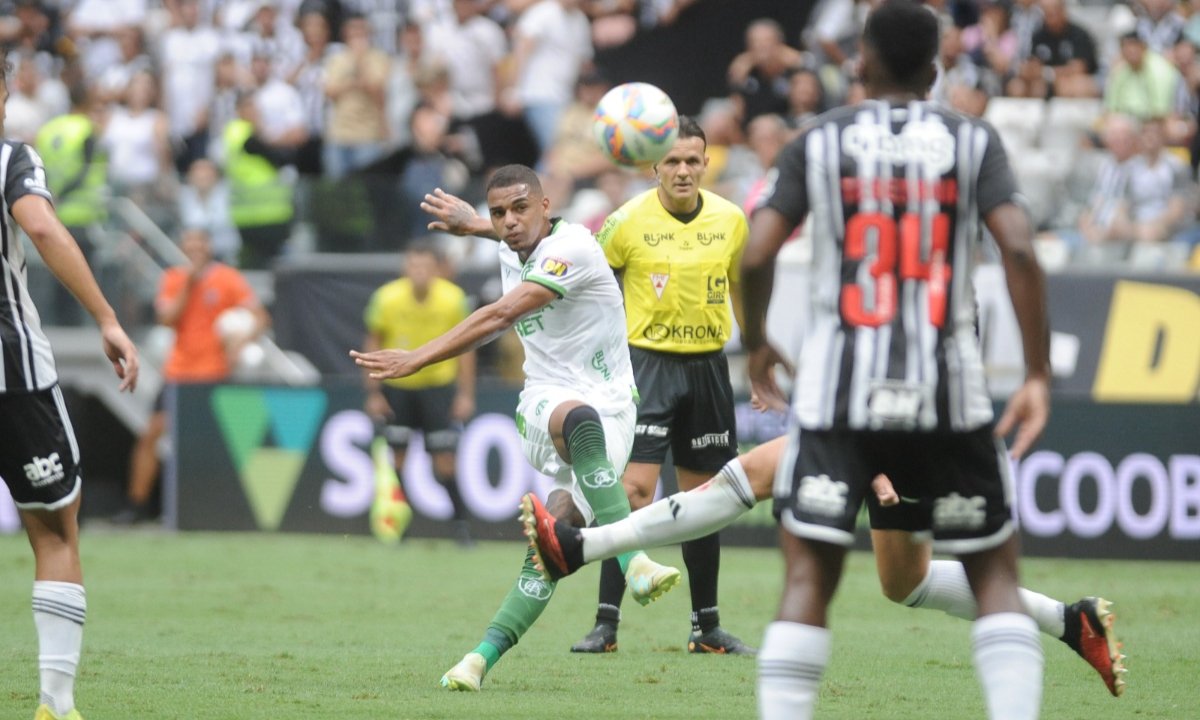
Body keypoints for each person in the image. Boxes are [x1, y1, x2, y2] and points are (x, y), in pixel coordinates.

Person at [737, 3, 1053, 717]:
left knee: (808, 582)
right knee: (994, 575)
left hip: (837, 392)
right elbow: (1022, 250)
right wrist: (1036, 373)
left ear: (861, 63)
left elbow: (755, 252)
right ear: (938, 68)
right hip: (949, 390)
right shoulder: (972, 140)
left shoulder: (819, 140)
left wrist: (755, 338)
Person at [421, 118, 756, 657]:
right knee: (630, 490)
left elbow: (740, 284)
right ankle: (607, 621)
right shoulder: (624, 222)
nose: (683, 170)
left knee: (705, 501)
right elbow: (559, 249)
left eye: (693, 160)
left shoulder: (731, 219)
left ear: (707, 163)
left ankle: (706, 626)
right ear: (653, 166)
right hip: (644, 365)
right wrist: (484, 226)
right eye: (672, 161)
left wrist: (757, 355)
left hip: (709, 366)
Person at [351, 164, 681, 692]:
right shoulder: (514, 238)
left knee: (553, 541)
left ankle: (478, 659)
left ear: (547, 206)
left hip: (618, 407)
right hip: (544, 401)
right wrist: (471, 222)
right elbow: (509, 240)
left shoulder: (572, 248)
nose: (508, 222)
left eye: (520, 208)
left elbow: (500, 315)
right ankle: (634, 558)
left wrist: (418, 357)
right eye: (499, 212)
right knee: (578, 419)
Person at [521, 435, 1128, 698]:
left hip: (912, 439)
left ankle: (580, 547)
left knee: (752, 483)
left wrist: (880, 457)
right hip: (881, 430)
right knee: (906, 584)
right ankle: (1069, 621)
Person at [0, 55, 140, 720]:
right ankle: (55, 704)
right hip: (14, 378)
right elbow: (43, 225)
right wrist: (107, 318)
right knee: (56, 533)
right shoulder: (10, 157)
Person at [118, 227, 268, 524]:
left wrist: (242, 340)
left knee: (219, 443)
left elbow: (261, 317)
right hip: (178, 373)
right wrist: (190, 281)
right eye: (190, 243)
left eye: (200, 242)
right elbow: (166, 319)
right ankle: (136, 506)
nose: (196, 248)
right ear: (183, 248)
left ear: (209, 246)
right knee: (151, 435)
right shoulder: (174, 278)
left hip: (215, 373)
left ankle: (224, 509)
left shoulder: (227, 278)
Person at [362, 241, 477, 546]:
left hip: (438, 387)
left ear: (437, 269)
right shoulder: (386, 298)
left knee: (444, 462)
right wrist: (374, 391)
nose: (419, 273)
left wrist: (465, 393)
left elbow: (466, 350)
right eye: (414, 266)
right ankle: (400, 524)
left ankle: (460, 526)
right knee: (397, 459)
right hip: (398, 388)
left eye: (425, 267)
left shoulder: (453, 299)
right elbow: (373, 341)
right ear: (405, 268)